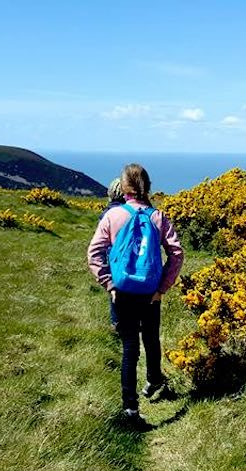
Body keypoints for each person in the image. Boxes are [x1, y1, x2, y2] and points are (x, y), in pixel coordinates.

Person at [88, 164, 184, 429]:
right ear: (147, 186)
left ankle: (130, 408)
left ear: (124, 187)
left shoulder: (112, 216)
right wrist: (161, 288)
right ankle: (155, 380)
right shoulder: (159, 217)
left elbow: (94, 253)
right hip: (150, 294)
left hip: (123, 293)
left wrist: (109, 283)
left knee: (130, 349)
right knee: (151, 337)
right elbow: (176, 254)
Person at [100, 178, 126, 328]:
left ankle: (116, 323)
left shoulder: (107, 214)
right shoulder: (131, 213)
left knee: (115, 292)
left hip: (112, 259)